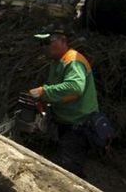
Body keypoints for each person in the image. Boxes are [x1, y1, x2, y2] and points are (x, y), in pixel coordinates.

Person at [29, 26, 100, 178]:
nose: (43, 47)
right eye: (41, 44)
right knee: (66, 163)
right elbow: (57, 90)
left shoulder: (73, 61)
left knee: (68, 170)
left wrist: (44, 92)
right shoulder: (56, 62)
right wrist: (44, 100)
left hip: (78, 125)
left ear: (63, 41)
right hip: (67, 122)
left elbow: (74, 88)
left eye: (47, 42)